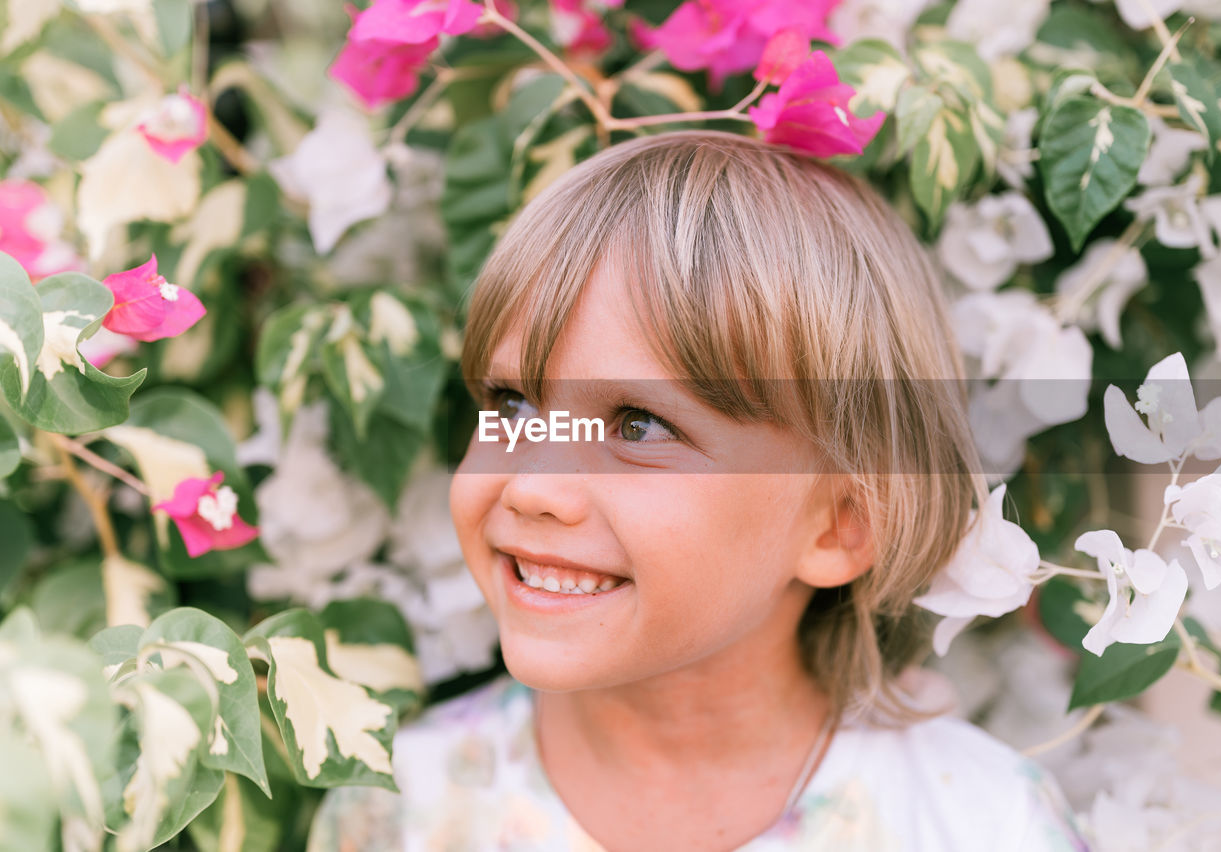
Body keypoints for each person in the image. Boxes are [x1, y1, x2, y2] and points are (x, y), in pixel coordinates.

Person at [307, 130, 1089, 851]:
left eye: (639, 426)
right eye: (513, 404)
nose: (534, 486)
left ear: (842, 524)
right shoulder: (398, 810)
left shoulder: (979, 824)